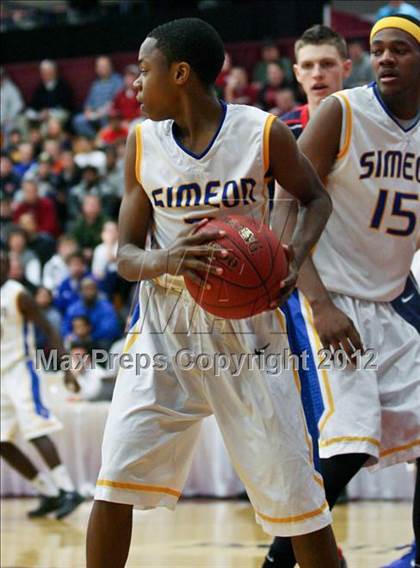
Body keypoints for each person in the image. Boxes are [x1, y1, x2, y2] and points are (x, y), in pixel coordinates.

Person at [86, 17, 339, 568]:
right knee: (115, 480)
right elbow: (126, 256)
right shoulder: (141, 143)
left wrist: (292, 257)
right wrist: (166, 258)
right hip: (164, 325)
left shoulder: (262, 131)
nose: (134, 85)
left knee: (298, 494)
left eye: (143, 71)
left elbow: (316, 199)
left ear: (180, 74)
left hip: (252, 325)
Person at [264, 15, 420, 568]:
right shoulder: (343, 112)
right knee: (347, 444)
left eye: (399, 50)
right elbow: (283, 205)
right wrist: (320, 302)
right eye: (378, 49)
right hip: (327, 296)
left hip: (395, 298)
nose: (386, 59)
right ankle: (279, 561)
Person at [0, 251, 84, 519]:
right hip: (1, 376)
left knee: (36, 429)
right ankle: (49, 491)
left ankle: (69, 490)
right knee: (1, 442)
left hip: (20, 370)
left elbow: (48, 328)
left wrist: (66, 369)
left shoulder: (18, 294)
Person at [281, 25, 352, 139]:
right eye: (307, 66)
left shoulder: (369, 123)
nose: (317, 74)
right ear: (297, 73)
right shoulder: (283, 131)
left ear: (346, 68)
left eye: (327, 64)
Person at [62, 277, 121, 349]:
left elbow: (110, 329)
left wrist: (91, 337)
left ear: (97, 290)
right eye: (86, 289)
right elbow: (65, 328)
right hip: (78, 340)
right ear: (80, 291)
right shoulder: (73, 308)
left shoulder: (106, 307)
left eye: (92, 288)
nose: (89, 292)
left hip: (98, 342)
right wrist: (71, 336)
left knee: (105, 343)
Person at [72, 56, 123, 138]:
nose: (102, 69)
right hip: (94, 114)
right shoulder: (95, 84)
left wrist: (101, 112)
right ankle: (95, 139)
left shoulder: (118, 81)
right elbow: (88, 103)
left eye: (104, 66)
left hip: (107, 112)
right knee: (78, 120)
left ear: (110, 67)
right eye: (100, 66)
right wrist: (87, 111)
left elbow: (117, 101)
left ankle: (104, 139)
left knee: (106, 117)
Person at [27, 59, 73, 125]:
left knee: (50, 124)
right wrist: (38, 114)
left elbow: (66, 107)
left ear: (53, 72)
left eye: (47, 72)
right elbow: (33, 105)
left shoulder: (63, 86)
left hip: (59, 114)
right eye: (43, 73)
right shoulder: (40, 88)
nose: (44, 75)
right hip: (41, 116)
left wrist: (49, 112)